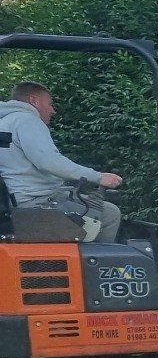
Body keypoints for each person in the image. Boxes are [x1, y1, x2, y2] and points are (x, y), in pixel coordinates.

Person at [0, 81, 125, 241]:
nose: (53, 110)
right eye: (50, 104)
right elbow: (50, 162)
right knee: (110, 214)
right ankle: (93, 263)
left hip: (16, 201)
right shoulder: (26, 120)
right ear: (34, 101)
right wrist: (99, 177)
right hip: (37, 203)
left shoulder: (5, 122)